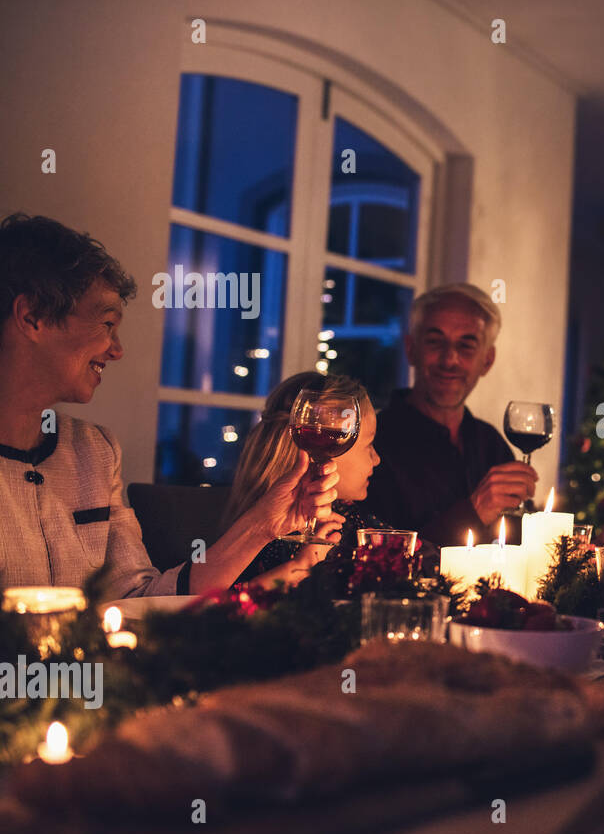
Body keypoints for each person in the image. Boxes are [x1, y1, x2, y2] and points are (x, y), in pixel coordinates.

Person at [0, 213, 336, 600]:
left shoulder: (93, 451)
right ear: (32, 317)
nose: (117, 349)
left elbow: (142, 600)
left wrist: (263, 524)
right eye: (107, 324)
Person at [361, 283, 538, 547]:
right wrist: (473, 511)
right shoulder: (373, 444)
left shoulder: (491, 443)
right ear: (411, 349)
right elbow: (375, 560)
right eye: (435, 342)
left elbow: (522, 544)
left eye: (466, 346)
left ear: (487, 361)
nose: (450, 359)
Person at [223, 373, 383, 589]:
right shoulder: (270, 542)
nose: (377, 458)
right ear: (332, 446)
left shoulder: (350, 517)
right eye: (368, 444)